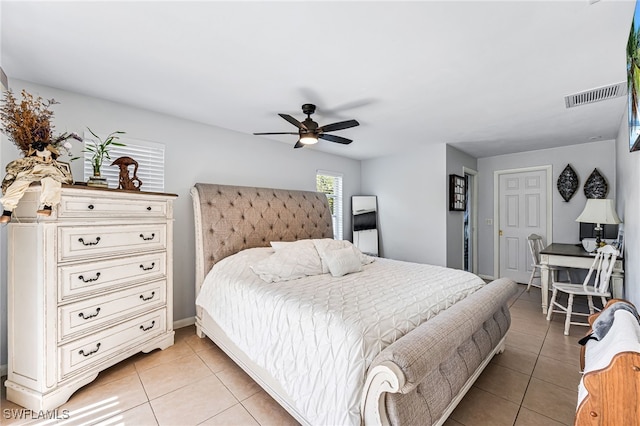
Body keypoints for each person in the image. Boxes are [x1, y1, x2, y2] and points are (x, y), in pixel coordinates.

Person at [0, 140, 73, 223]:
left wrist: (67, 178)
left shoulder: (52, 163)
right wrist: (12, 174)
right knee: (18, 184)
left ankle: (47, 207)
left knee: (51, 182)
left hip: (49, 173)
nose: (44, 152)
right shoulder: (32, 161)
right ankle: (7, 212)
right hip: (32, 173)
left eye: (47, 150)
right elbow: (16, 165)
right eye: (41, 150)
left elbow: (64, 172)